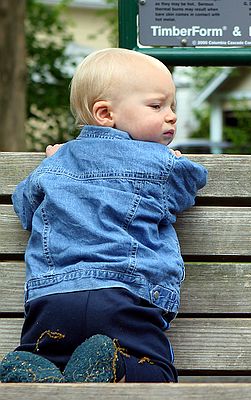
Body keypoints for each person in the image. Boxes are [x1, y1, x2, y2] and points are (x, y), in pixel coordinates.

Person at [0, 48, 208, 383]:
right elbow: (186, 190)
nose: (171, 116)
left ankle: (30, 370)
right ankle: (117, 369)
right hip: (124, 297)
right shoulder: (160, 164)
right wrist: (173, 160)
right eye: (157, 106)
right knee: (155, 372)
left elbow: (24, 207)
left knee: (54, 363)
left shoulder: (56, 162)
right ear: (105, 113)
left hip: (51, 301)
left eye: (172, 107)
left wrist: (50, 162)